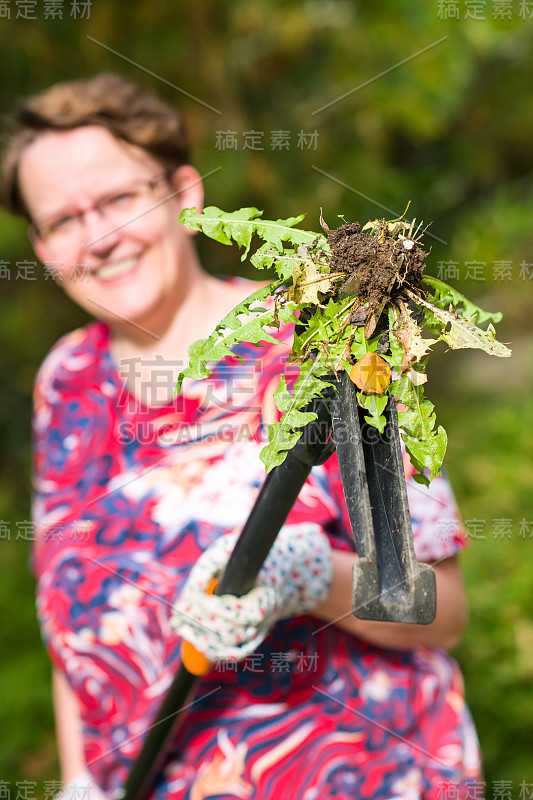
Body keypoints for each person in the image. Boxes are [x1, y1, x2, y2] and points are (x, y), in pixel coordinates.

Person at [1, 73, 482, 800]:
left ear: (186, 193)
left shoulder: (327, 347)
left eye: (119, 199)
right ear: (40, 245)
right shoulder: (66, 380)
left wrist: (313, 575)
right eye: (63, 220)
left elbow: (438, 610)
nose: (97, 237)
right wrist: (77, 779)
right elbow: (70, 613)